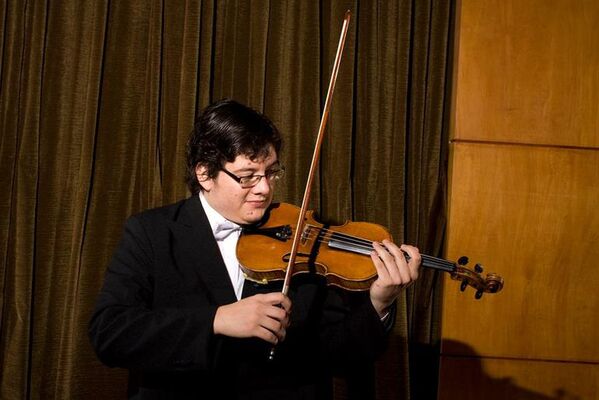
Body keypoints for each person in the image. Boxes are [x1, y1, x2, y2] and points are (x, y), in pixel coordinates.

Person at [89, 99, 421, 399]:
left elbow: (336, 352)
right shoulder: (152, 232)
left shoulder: (300, 237)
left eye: (271, 173)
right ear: (205, 173)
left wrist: (379, 301)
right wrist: (216, 320)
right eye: (247, 176)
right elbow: (111, 333)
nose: (264, 189)